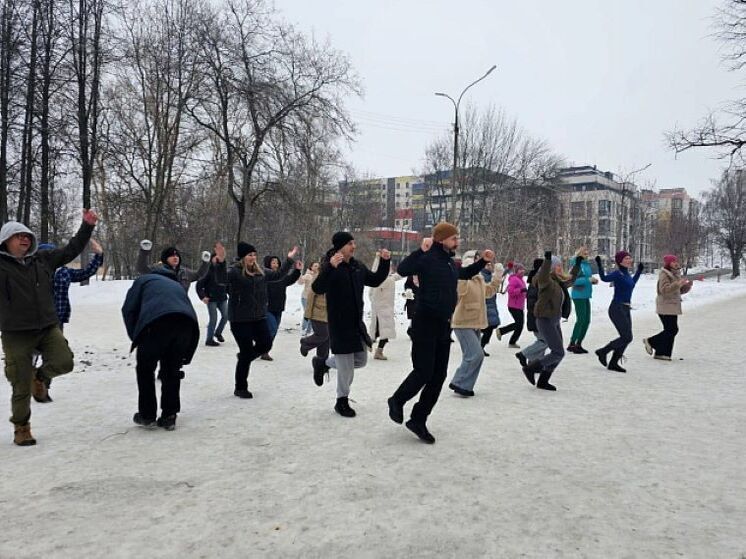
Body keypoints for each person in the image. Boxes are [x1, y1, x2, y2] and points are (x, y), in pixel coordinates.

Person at [387, 223, 494, 444]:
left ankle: (418, 419)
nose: (458, 241)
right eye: (454, 238)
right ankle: (396, 400)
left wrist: (483, 262)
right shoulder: (427, 259)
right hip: (425, 323)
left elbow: (463, 273)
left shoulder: (447, 262)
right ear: (442, 239)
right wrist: (420, 250)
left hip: (443, 325)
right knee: (424, 371)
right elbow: (404, 269)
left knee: (439, 376)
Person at [0, 210, 97, 446]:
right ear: (5, 240)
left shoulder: (42, 259)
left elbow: (71, 249)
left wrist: (87, 227)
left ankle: (40, 377)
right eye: (18, 236)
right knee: (20, 384)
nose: (25, 239)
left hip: (46, 326)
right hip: (16, 332)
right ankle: (22, 427)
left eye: (27, 236)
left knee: (64, 361)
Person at [311, 232, 390, 418]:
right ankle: (342, 401)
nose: (353, 246)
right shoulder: (330, 265)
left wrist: (385, 262)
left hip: (356, 323)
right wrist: (330, 267)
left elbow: (375, 279)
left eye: (354, 243)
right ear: (339, 247)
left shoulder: (357, 266)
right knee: (346, 368)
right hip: (339, 324)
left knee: (360, 361)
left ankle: (323, 363)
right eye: (349, 244)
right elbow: (317, 288)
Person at [213, 243, 299, 399]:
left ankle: (246, 356)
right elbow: (220, 279)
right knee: (246, 352)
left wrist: (289, 260)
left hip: (258, 317)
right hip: (240, 319)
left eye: (254, 254)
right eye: (249, 255)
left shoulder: (261, 272)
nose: (252, 257)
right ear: (242, 257)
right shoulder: (234, 272)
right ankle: (240, 387)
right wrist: (221, 261)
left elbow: (279, 275)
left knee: (266, 344)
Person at [122, 265, 200, 431]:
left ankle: (147, 415)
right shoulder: (176, 285)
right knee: (171, 370)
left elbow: (129, 309)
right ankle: (169, 416)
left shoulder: (144, 280)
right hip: (186, 325)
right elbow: (189, 313)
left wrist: (136, 336)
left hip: (157, 325)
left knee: (145, 369)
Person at [32, 238, 104, 402]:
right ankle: (28, 380)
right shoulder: (33, 272)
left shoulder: (64, 272)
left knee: (52, 356)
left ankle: (42, 387)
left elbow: (85, 273)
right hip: (35, 320)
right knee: (31, 352)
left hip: (57, 321)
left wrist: (99, 255)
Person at [520, 252, 580, 391]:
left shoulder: (557, 281)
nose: (560, 267)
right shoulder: (544, 281)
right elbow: (543, 274)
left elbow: (571, 280)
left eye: (560, 265)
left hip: (554, 319)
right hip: (545, 319)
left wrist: (577, 264)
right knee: (558, 352)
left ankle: (543, 380)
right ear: (551, 267)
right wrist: (547, 261)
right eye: (557, 265)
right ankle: (531, 368)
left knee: (558, 353)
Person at [448, 250, 501, 396]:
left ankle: (466, 386)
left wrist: (497, 276)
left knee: (474, 356)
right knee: (476, 354)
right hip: (462, 322)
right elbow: (459, 290)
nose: (481, 262)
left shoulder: (479, 278)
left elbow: (488, 292)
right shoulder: (462, 278)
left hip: (476, 322)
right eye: (477, 259)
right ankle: (459, 382)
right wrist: (467, 274)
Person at [594, 250, 644, 373]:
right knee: (626, 337)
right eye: (626, 258)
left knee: (627, 337)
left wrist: (639, 271)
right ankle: (603, 351)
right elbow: (604, 278)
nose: (629, 260)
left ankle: (613, 363)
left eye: (629, 258)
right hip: (617, 308)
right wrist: (599, 265)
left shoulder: (627, 274)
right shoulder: (617, 274)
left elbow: (632, 284)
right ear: (620, 261)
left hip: (626, 308)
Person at [643, 254, 692, 361]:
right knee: (672, 329)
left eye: (676, 261)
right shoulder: (664, 274)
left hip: (672, 305)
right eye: (673, 261)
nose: (676, 263)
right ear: (668, 263)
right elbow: (664, 290)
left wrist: (686, 287)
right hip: (665, 305)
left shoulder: (675, 274)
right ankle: (651, 341)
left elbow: (677, 290)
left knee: (670, 329)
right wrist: (678, 284)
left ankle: (663, 353)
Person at [261, 254, 302, 360]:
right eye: (273, 262)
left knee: (273, 331)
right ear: (268, 264)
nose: (276, 264)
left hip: (278, 307)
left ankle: (264, 350)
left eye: (277, 262)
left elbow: (291, 279)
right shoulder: (264, 276)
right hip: (266, 307)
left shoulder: (281, 277)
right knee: (272, 328)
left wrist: (297, 270)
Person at [136, 239, 211, 292]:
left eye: (177, 255)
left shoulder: (185, 272)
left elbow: (199, 274)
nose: (175, 257)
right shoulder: (158, 270)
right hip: (161, 308)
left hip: (181, 308)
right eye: (171, 255)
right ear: (165, 258)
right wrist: (144, 252)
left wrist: (205, 262)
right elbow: (142, 269)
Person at [299, 262, 330, 386]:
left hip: (330, 314)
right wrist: (308, 314)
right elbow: (311, 296)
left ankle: (321, 362)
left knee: (326, 340)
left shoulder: (336, 278)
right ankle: (305, 343)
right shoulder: (318, 278)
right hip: (318, 313)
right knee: (323, 335)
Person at [515, 258, 547, 368]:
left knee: (542, 340)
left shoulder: (539, 279)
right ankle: (524, 354)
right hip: (537, 317)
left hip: (539, 316)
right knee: (544, 341)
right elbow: (533, 302)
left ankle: (535, 364)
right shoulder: (536, 281)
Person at [368, 254, 400, 360]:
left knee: (380, 333)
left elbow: (399, 275)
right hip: (382, 311)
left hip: (385, 310)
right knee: (380, 333)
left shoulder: (387, 279)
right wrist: (378, 259)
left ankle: (375, 350)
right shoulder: (383, 280)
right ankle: (368, 347)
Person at [196, 246, 228, 347]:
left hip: (222, 298)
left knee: (226, 316)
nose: (217, 260)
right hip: (211, 299)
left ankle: (218, 332)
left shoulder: (223, 271)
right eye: (215, 258)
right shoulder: (208, 272)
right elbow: (199, 285)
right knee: (213, 319)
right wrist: (203, 297)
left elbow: (227, 284)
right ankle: (209, 339)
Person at [567, 246, 597, 354]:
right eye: (584, 253)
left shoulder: (586, 265)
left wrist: (592, 281)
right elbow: (572, 281)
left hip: (586, 295)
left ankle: (579, 343)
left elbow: (586, 279)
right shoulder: (576, 264)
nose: (587, 254)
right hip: (578, 295)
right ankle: (572, 343)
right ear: (579, 254)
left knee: (587, 320)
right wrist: (587, 280)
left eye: (587, 252)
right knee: (581, 320)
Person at [498, 262, 527, 348]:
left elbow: (522, 290)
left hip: (519, 306)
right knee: (519, 324)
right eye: (520, 270)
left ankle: (507, 337)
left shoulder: (521, 279)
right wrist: (521, 291)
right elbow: (510, 292)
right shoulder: (514, 279)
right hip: (514, 306)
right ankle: (505, 335)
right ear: (516, 271)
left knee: (519, 324)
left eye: (523, 270)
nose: (522, 271)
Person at [480, 262, 503, 356]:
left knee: (491, 326)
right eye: (487, 265)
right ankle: (479, 347)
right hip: (485, 305)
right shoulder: (482, 276)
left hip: (491, 304)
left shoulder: (490, 275)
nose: (490, 266)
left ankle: (480, 346)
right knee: (487, 328)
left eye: (490, 265)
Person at [298, 263, 320, 336]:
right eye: (315, 266)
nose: (317, 267)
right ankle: (304, 329)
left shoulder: (319, 275)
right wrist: (300, 274)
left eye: (318, 266)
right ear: (311, 267)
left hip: (314, 298)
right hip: (305, 298)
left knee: (312, 314)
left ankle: (309, 330)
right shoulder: (308, 275)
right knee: (308, 314)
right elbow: (300, 282)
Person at [402, 275, 419, 339]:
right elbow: (407, 285)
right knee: (414, 316)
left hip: (422, 299)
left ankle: (412, 330)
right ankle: (412, 331)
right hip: (413, 299)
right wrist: (408, 291)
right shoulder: (411, 276)